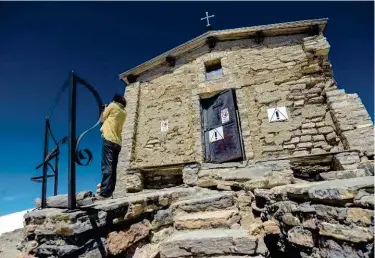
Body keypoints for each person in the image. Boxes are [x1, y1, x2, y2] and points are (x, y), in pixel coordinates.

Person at [95, 94, 127, 200]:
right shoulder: (124, 113)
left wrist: (104, 109)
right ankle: (110, 190)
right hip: (118, 142)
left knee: (107, 165)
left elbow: (102, 118)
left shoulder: (112, 105)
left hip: (109, 138)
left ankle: (104, 192)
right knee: (113, 167)